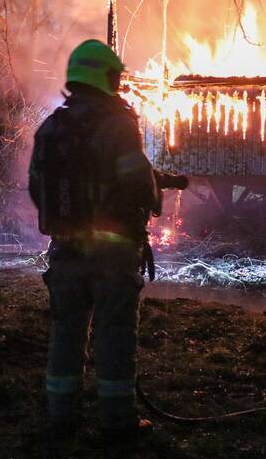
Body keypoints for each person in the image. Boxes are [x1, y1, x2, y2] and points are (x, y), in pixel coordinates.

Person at [29, 39, 165, 438]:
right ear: (107, 77)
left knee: (66, 331)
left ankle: (60, 414)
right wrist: (153, 199)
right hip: (113, 251)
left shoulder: (52, 126)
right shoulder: (117, 125)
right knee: (114, 332)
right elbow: (139, 182)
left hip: (66, 248)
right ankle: (117, 421)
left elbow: (37, 187)